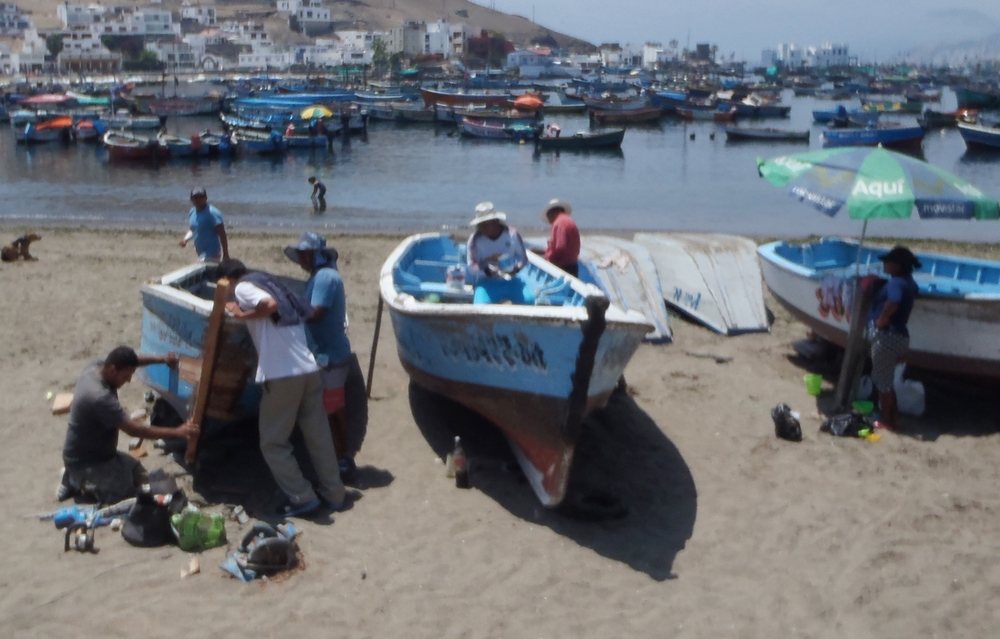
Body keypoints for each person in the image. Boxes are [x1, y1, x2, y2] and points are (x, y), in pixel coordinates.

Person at [218, 259, 347, 517]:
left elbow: (268, 306)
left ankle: (303, 497)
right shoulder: (275, 286)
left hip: (283, 375)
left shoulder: (243, 287)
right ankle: (335, 494)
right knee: (319, 437)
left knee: (273, 443)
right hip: (308, 369)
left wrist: (240, 313)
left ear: (228, 279)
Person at [58, 346, 198, 504]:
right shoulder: (100, 397)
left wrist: (162, 359)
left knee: (138, 474)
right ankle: (75, 480)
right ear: (113, 370)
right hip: (87, 462)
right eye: (126, 376)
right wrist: (178, 432)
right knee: (126, 498)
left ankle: (76, 476)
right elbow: (134, 430)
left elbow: (134, 359)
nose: (129, 380)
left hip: (102, 454)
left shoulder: (96, 367)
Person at [284, 232, 362, 480]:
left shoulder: (325, 277)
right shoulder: (319, 278)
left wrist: (287, 310)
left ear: (316, 254)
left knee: (331, 411)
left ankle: (342, 460)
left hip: (330, 357)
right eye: (300, 255)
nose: (301, 259)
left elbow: (317, 313)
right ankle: (340, 458)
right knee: (332, 409)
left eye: (305, 254)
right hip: (326, 355)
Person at [866, 246, 921, 432]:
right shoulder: (910, 283)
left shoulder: (896, 283)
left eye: (887, 261)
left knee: (883, 383)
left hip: (886, 337)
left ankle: (887, 421)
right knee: (886, 381)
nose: (884, 264)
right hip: (900, 337)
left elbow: (894, 300)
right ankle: (893, 417)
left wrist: (882, 319)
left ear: (897, 266)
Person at [466, 202, 535, 305]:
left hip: (511, 279)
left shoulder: (512, 234)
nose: (482, 227)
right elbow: (471, 265)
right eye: (480, 224)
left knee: (529, 299)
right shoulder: (475, 240)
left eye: (486, 223)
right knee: (480, 305)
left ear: (496, 221)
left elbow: (523, 258)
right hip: (487, 282)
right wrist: (487, 271)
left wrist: (516, 269)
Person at [180, 187, 229, 262]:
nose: (198, 200)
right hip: (201, 254)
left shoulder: (212, 213)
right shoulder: (192, 212)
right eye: (195, 198)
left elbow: (222, 234)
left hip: (212, 254)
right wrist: (185, 239)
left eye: (201, 197)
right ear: (191, 199)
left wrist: (226, 254)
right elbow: (193, 229)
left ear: (206, 198)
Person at [538, 198, 580, 278]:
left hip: (563, 267)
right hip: (572, 265)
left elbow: (560, 247)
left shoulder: (559, 223)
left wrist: (548, 259)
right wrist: (542, 251)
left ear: (552, 212)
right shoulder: (569, 221)